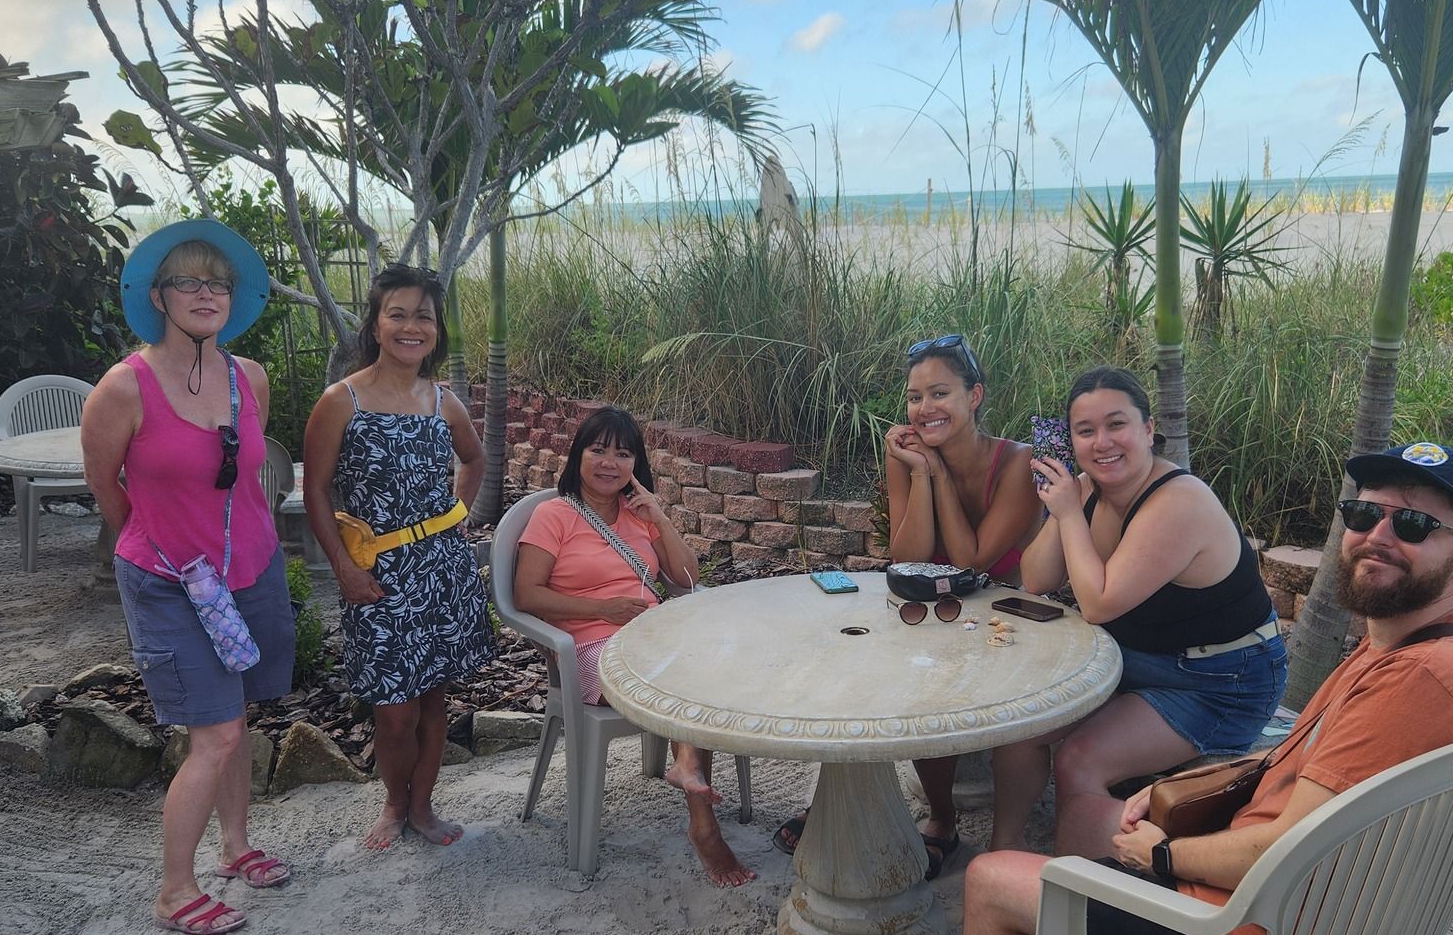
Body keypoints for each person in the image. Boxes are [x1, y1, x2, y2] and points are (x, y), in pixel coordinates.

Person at [901, 443, 1453, 935]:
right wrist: (1199, 789)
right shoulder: (1448, 652)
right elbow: (1311, 776)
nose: (1377, 537)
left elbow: (1283, 850)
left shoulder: (1420, 680)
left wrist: (1165, 855)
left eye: (1413, 525)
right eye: (1364, 514)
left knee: (991, 881)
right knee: (1094, 818)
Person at [82, 219, 296, 935]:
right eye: (189, 281)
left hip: (251, 569)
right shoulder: (122, 388)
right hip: (173, 582)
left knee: (237, 721)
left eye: (219, 283)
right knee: (215, 737)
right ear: (157, 295)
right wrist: (164, 545)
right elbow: (109, 492)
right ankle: (175, 890)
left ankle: (235, 849)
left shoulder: (249, 377)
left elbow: (247, 475)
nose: (207, 294)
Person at [774, 334, 1043, 877]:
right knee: (854, 659)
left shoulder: (1017, 463)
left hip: (999, 614)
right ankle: (872, 803)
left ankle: (946, 822)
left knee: (930, 683)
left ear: (975, 396)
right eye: (914, 397)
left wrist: (937, 473)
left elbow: (972, 561)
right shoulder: (906, 453)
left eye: (939, 393)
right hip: (932, 608)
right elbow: (910, 554)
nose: (924, 409)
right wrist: (920, 471)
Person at [993, 367, 1286, 854]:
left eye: (1117, 424)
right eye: (1085, 431)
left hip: (1219, 680)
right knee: (1022, 721)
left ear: (1148, 430)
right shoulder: (1086, 490)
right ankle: (1005, 849)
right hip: (1139, 659)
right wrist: (1064, 504)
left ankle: (1092, 885)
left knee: (1078, 759)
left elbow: (1099, 603)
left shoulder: (1179, 501)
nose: (1102, 442)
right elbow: (1038, 579)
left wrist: (1069, 515)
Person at [512, 407, 755, 888]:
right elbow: (525, 596)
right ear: (577, 455)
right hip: (590, 648)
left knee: (714, 662)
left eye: (622, 454)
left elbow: (686, 579)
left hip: (651, 638)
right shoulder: (552, 515)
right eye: (597, 450)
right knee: (686, 676)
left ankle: (686, 765)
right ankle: (704, 826)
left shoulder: (637, 515)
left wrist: (658, 516)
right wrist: (603, 611)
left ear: (635, 465)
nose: (609, 463)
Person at [303, 264, 495, 851]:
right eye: (399, 314)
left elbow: (475, 461)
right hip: (378, 575)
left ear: (436, 330)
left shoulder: (443, 402)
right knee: (394, 712)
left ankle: (422, 807)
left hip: (443, 572)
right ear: (377, 323)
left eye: (424, 317)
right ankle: (392, 802)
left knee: (434, 698)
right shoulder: (343, 400)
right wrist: (343, 566)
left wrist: (454, 517)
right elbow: (315, 489)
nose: (412, 327)